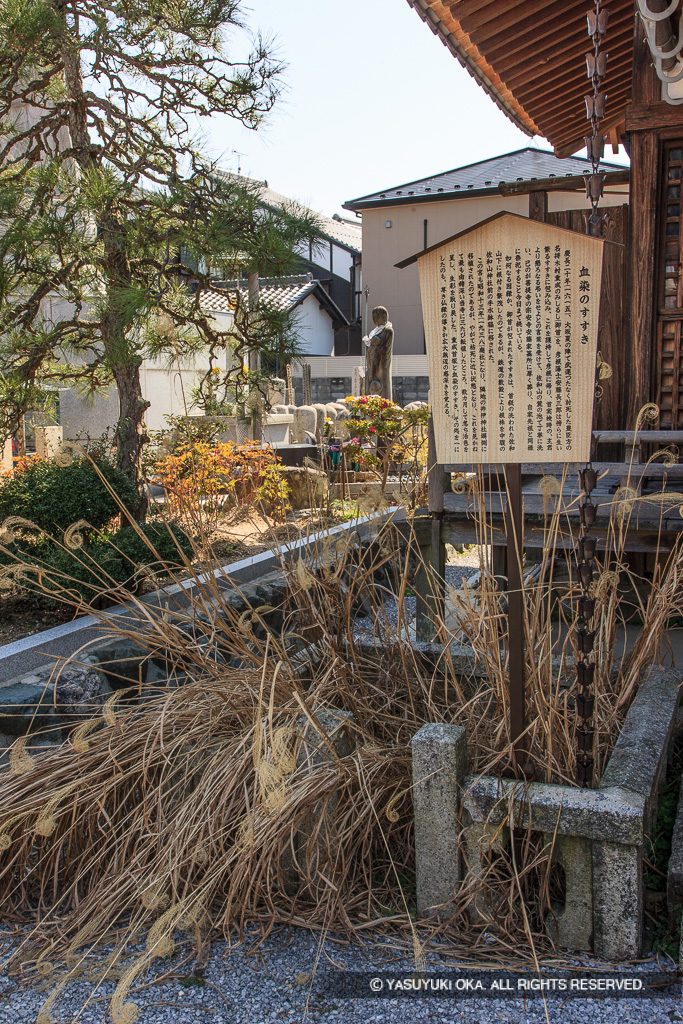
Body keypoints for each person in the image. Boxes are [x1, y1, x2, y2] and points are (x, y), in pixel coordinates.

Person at [363, 306, 394, 401]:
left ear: (384, 316)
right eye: (373, 317)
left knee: (381, 387)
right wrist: (371, 344)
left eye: (376, 316)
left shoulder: (388, 331)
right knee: (371, 385)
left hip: (381, 364)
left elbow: (385, 348)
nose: (374, 319)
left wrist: (375, 345)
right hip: (372, 363)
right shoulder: (374, 332)